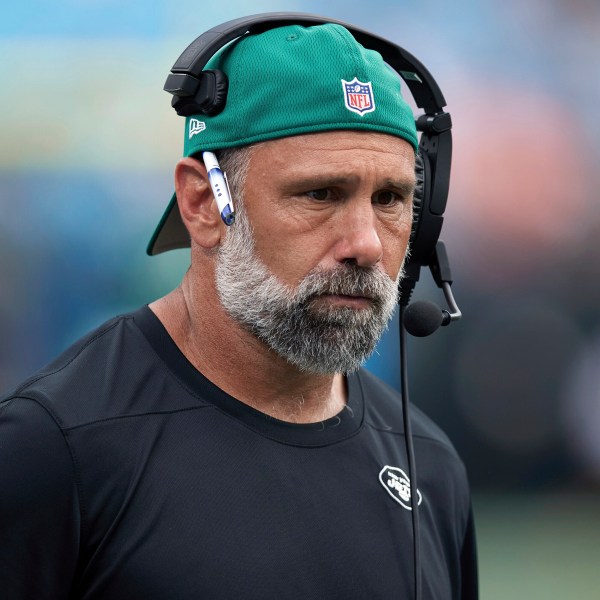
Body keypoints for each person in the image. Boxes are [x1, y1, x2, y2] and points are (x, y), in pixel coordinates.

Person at [0, 18, 478, 600]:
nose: (368, 244)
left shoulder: (429, 463)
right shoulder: (52, 447)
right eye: (320, 193)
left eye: (390, 200)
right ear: (203, 202)